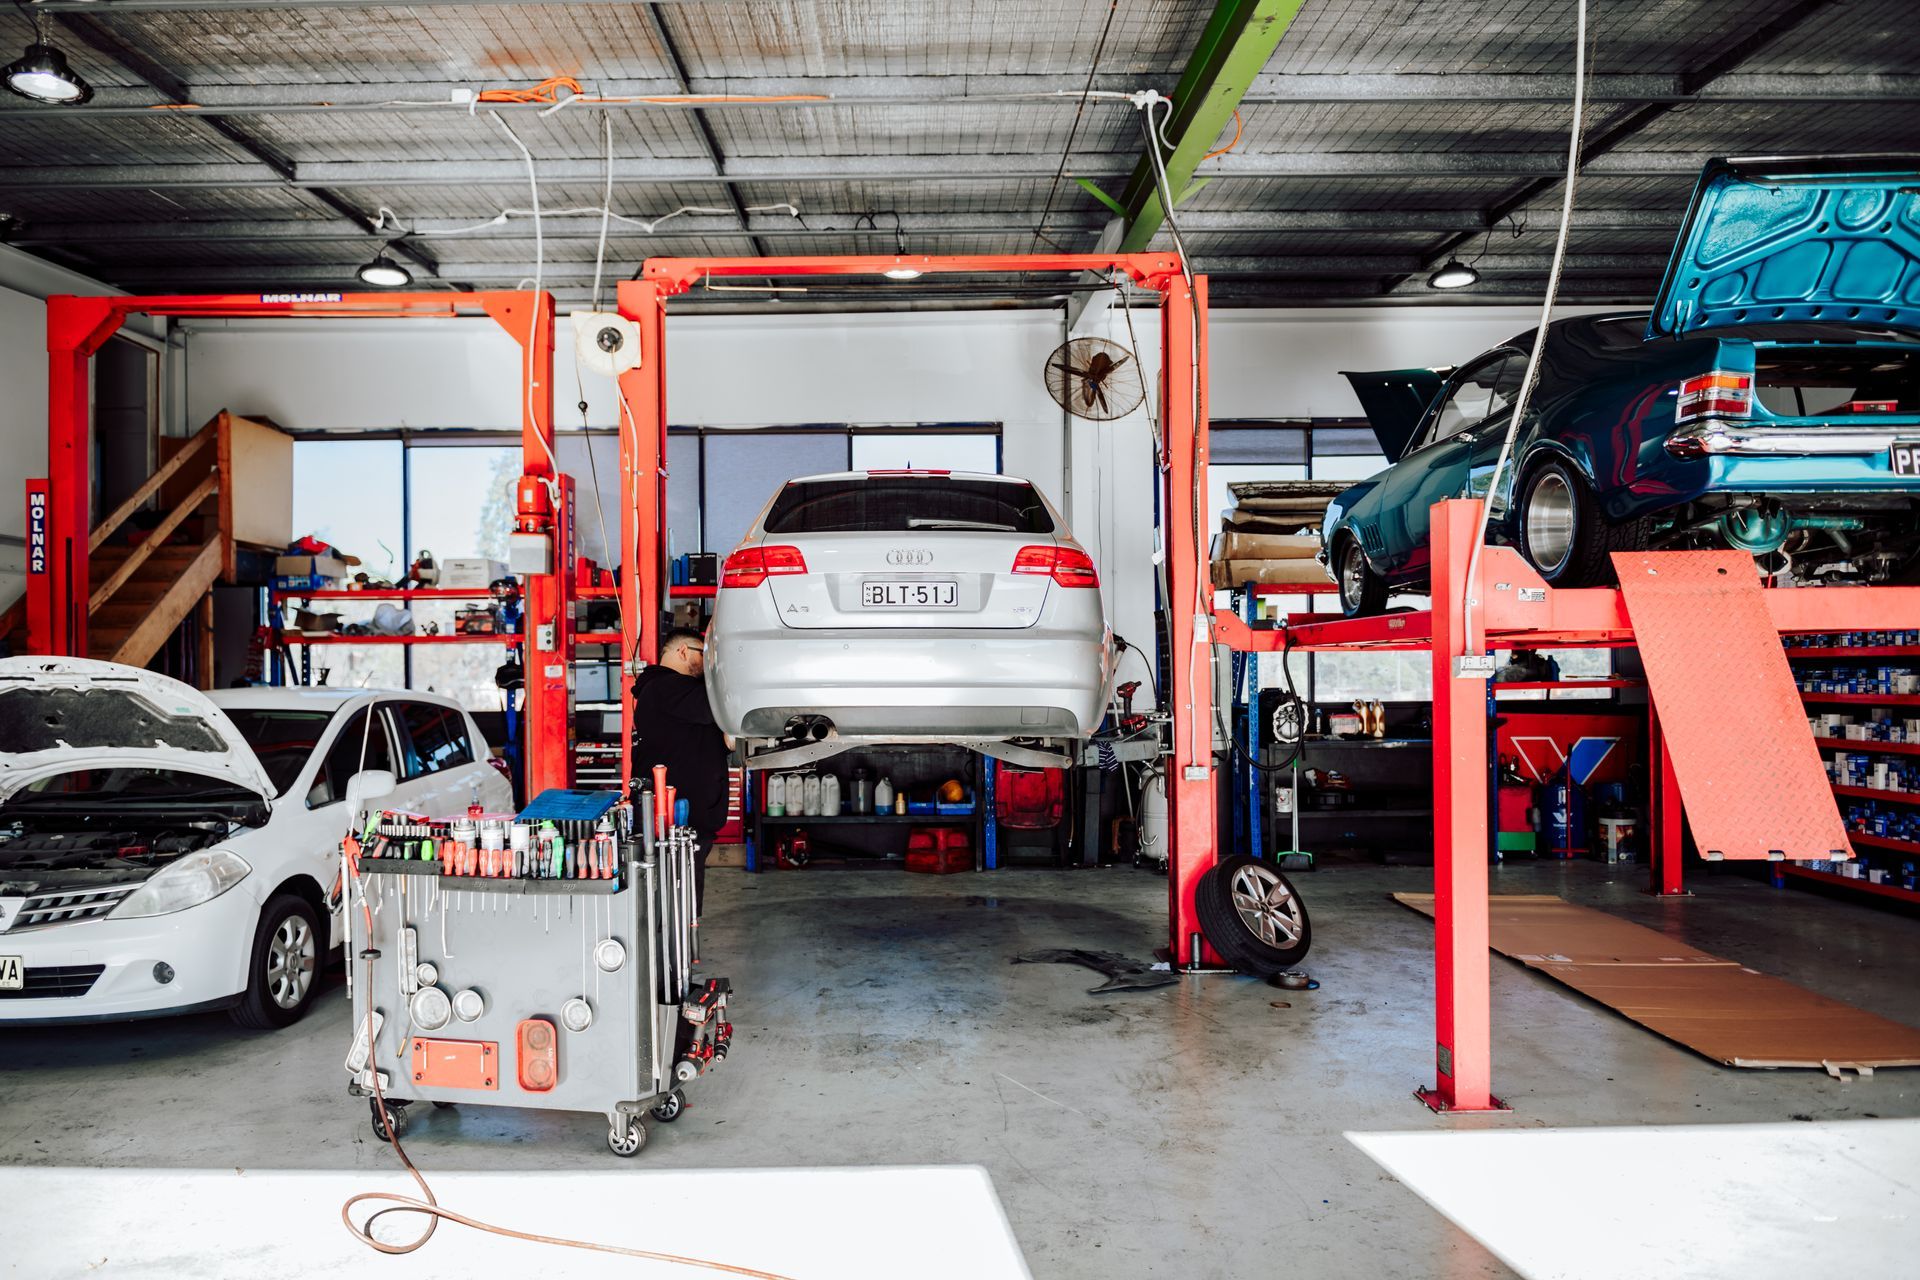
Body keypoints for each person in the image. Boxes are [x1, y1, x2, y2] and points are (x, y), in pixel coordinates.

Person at [630, 627, 730, 911]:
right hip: (677, 817)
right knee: (678, 893)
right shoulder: (667, 687)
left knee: (682, 889)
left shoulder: (669, 690)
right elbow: (718, 708)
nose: (708, 660)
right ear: (683, 651)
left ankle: (681, 946)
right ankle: (676, 948)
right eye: (704, 653)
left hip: (685, 815)